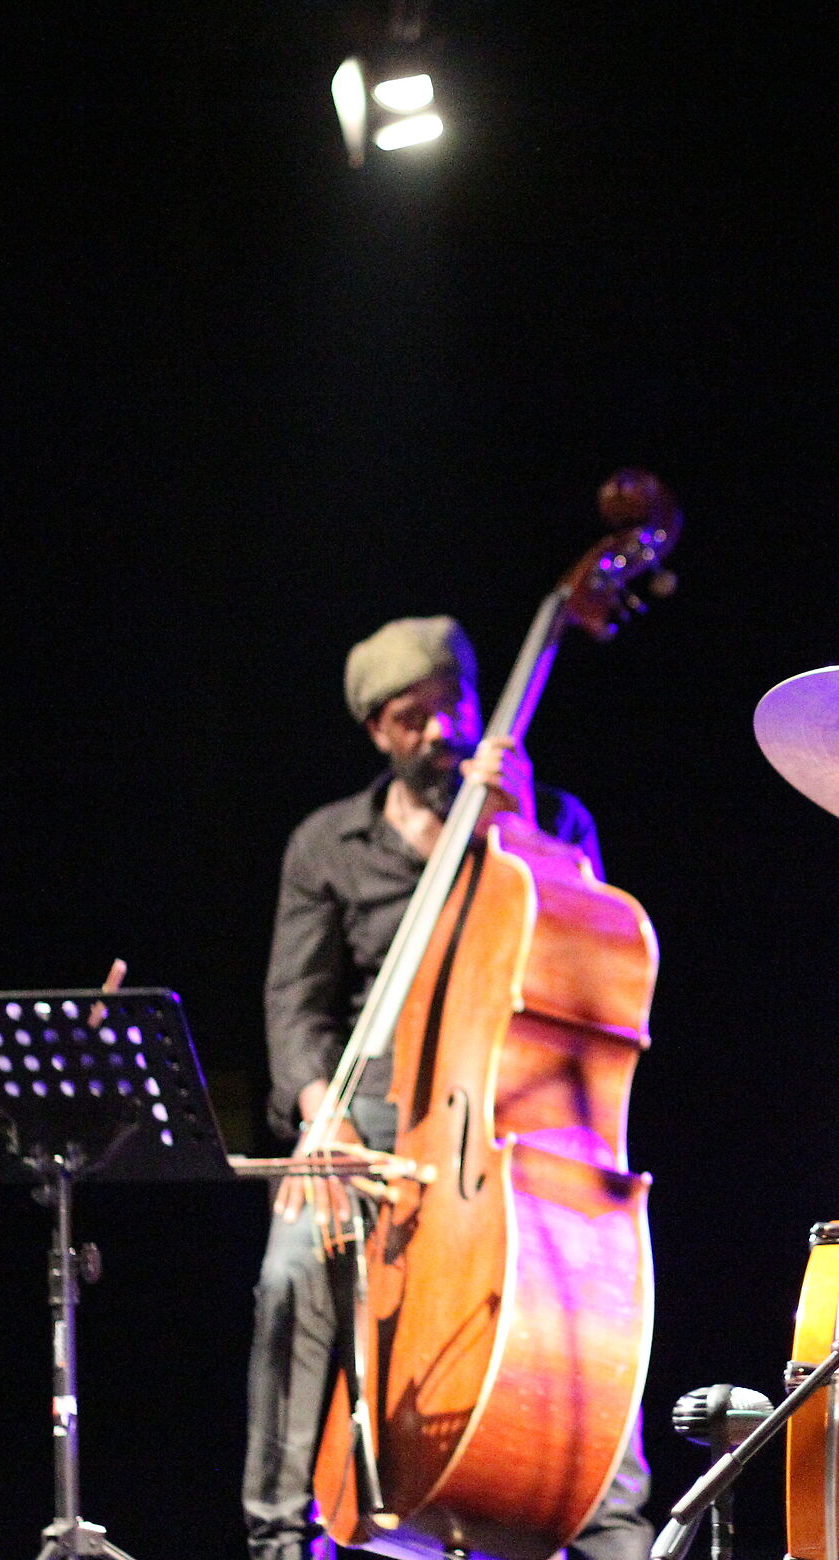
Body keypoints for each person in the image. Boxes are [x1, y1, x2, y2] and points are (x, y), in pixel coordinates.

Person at [243, 614, 651, 1560]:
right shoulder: (328, 845)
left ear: (475, 701)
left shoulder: (554, 821)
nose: (436, 732)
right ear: (377, 733)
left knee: (571, 1294)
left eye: (449, 707)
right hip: (374, 1109)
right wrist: (321, 1109)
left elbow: (589, 960)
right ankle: (273, 1536)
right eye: (407, 719)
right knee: (291, 1269)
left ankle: (609, 1528)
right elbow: (294, 1010)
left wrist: (515, 831)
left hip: (511, 1114)